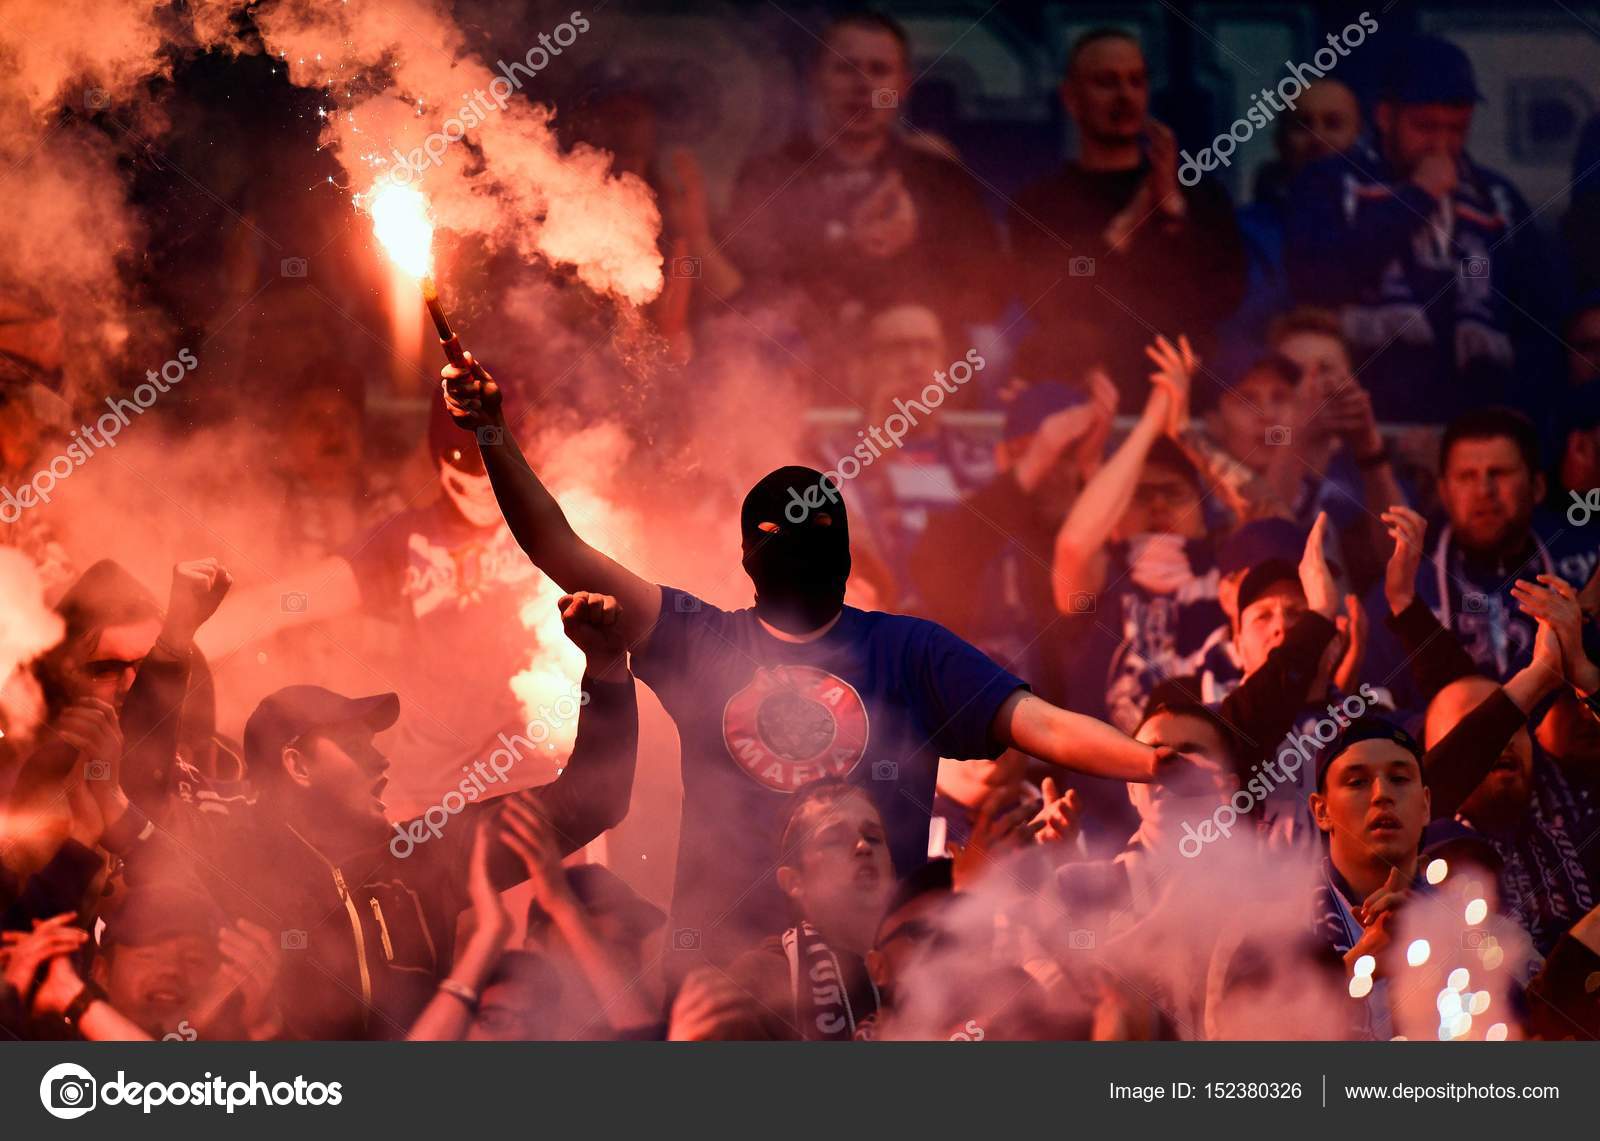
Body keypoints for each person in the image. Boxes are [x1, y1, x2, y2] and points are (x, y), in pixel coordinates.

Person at [439, 352, 1169, 976]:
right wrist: (491, 431)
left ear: (844, 550)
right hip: (723, 989)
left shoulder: (910, 650)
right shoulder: (699, 639)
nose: (794, 542)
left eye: (814, 526)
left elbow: (1042, 724)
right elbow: (560, 549)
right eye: (774, 529)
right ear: (746, 556)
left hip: (881, 985)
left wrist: (1153, 764)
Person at [113, 587, 639, 1039]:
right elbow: (143, 784)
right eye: (355, 747)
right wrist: (173, 643)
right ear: (296, 765)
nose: (381, 761)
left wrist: (607, 670)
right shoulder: (229, 857)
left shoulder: (429, 856)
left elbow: (592, 801)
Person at [198, 401, 548, 814]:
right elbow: (282, 603)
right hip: (430, 793)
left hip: (537, 784)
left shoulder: (554, 527)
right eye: (464, 458)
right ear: (438, 456)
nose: (480, 479)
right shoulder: (405, 538)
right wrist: (168, 649)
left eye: (490, 458)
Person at [1285, 35, 1558, 422]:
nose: (1441, 144)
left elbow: (1540, 317)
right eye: (1426, 127)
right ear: (1385, 117)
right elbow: (1316, 281)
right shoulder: (1330, 182)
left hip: (1476, 423)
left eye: (1456, 128)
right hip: (1360, 414)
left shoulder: (1497, 199)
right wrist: (1417, 197)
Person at [725, 10, 1002, 340]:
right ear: (816, 78)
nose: (863, 85)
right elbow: (749, 285)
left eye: (879, 70)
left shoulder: (941, 179)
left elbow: (989, 296)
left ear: (903, 85)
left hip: (918, 358)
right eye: (846, 68)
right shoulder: (768, 176)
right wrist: (846, 246)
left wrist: (908, 300)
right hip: (806, 359)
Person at [1009, 28, 1244, 407]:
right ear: (1071, 98)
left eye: (1136, 81)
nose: (1125, 95)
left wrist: (1174, 214)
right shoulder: (1039, 204)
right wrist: (1128, 225)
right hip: (1081, 391)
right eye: (1107, 82)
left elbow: (1225, 296)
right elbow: (1051, 304)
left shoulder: (1199, 197)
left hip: (1181, 388)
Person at [1049, 336, 1228, 731]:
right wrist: (1151, 421)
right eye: (1142, 495)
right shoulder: (1103, 578)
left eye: (1174, 493)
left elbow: (1272, 516)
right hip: (1107, 772)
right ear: (1114, 517)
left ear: (1205, 513)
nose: (1159, 506)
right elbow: (1073, 545)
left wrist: (1184, 432)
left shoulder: (1231, 574)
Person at [672, 779, 892, 1040]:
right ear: (794, 882)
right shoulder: (753, 985)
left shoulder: (918, 964)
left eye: (873, 838)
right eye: (834, 840)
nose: (863, 847)